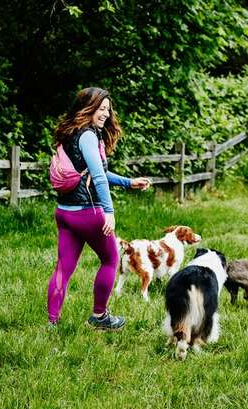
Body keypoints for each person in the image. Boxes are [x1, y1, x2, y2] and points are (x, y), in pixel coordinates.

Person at [46, 87, 151, 330]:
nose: (105, 113)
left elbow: (93, 172)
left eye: (107, 109)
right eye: (101, 108)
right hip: (87, 212)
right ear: (88, 108)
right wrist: (109, 212)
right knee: (110, 259)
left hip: (64, 212)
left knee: (63, 267)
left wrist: (128, 182)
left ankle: (52, 322)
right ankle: (100, 316)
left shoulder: (70, 133)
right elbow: (98, 177)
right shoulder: (89, 136)